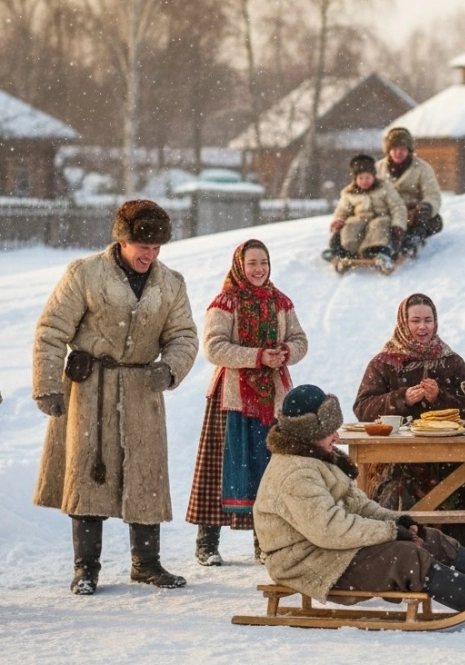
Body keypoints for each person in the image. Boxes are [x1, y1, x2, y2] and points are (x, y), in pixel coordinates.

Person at [253, 385, 465, 628]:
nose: (337, 435)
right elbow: (330, 529)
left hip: (328, 550)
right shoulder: (296, 474)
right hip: (307, 562)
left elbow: (359, 506)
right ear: (308, 434)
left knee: (429, 537)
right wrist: (390, 532)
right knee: (405, 556)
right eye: (329, 430)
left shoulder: (316, 460)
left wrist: (400, 521)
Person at [32, 199, 199, 595]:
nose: (150, 255)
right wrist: (47, 386)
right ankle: (85, 569)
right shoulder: (85, 274)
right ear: (122, 241)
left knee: (146, 475)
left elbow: (184, 336)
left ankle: (147, 565)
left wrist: (170, 367)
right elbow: (51, 330)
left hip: (143, 389)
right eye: (144, 247)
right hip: (91, 390)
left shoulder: (171, 283)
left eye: (158, 249)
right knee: (89, 472)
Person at [185, 239, 308, 566]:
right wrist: (256, 357)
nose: (259, 269)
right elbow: (213, 347)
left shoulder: (280, 302)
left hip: (274, 400)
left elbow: (300, 340)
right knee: (221, 469)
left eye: (264, 262)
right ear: (240, 265)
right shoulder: (225, 302)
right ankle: (207, 543)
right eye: (252, 263)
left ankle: (264, 542)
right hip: (233, 398)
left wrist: (285, 353)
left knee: (269, 470)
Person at [353, 293, 465, 553]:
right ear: (403, 323)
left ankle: (458, 554)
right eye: (415, 320)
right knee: (400, 488)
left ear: (436, 322)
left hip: (451, 455)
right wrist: (402, 398)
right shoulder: (384, 363)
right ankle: (403, 555)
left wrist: (440, 398)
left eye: (428, 320)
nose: (422, 327)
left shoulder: (451, 362)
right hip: (397, 456)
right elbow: (362, 408)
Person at [324, 154, 408, 272]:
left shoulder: (385, 187)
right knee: (351, 224)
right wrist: (338, 220)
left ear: (374, 176)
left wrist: (398, 225)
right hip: (360, 219)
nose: (364, 181)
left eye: (368, 177)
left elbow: (397, 207)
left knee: (379, 224)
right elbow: (342, 210)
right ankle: (344, 251)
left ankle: (379, 251)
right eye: (361, 178)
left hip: (381, 217)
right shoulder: (349, 193)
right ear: (355, 179)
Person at [376, 127, 443, 256]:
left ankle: (414, 238)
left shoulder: (422, 168)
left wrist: (427, 206)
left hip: (412, 213)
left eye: (402, 149)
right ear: (388, 150)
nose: (398, 153)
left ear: (409, 150)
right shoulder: (378, 168)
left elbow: (432, 194)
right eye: (394, 149)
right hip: (387, 212)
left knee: (434, 221)